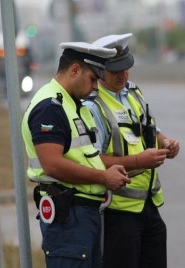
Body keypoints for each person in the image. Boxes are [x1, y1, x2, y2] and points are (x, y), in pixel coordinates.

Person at [21, 40, 131, 268]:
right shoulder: (50, 107)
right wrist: (103, 177)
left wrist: (111, 169)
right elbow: (52, 164)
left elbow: (85, 155)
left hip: (83, 214)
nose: (95, 87)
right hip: (68, 217)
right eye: (93, 79)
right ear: (74, 70)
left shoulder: (73, 104)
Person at [83, 33, 180, 268]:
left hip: (148, 206)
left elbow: (151, 129)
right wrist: (138, 161)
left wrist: (166, 143)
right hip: (118, 212)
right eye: (116, 71)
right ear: (99, 70)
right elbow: (92, 159)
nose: (124, 75)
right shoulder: (92, 105)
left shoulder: (133, 92)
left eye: (127, 68)